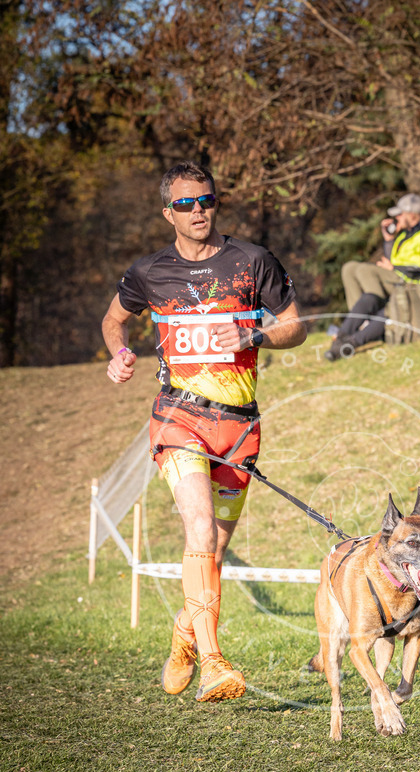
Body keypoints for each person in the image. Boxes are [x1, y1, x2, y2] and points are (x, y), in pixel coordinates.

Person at [102, 161, 307, 703]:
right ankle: (215, 662)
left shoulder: (253, 261)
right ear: (168, 211)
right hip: (179, 417)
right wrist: (120, 354)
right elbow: (113, 320)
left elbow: (295, 327)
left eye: (207, 201)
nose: (199, 212)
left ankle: (183, 636)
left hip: (238, 426)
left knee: (212, 549)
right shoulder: (149, 272)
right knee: (197, 529)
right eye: (187, 204)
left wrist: (249, 331)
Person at [325, 249, 420, 360]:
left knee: (388, 313)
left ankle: (349, 345)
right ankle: (340, 337)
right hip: (398, 313)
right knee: (370, 298)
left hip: (411, 324)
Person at [340, 193, 420, 312]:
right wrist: (389, 240)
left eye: (400, 214)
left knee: (365, 271)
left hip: (414, 281)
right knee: (349, 268)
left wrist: (395, 268)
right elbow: (393, 260)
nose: (396, 218)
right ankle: (358, 319)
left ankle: (376, 317)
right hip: (398, 276)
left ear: (412, 215)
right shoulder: (404, 235)